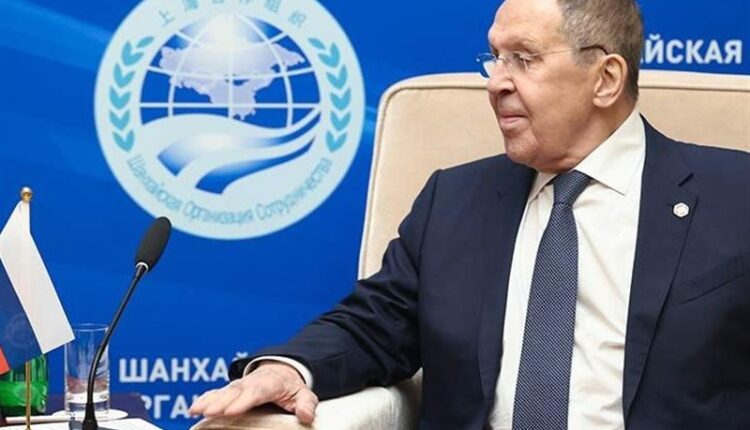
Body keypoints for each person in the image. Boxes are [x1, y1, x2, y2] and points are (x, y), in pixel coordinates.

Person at [190, 0, 750, 428]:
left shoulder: (734, 196)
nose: (496, 81)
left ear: (605, 79)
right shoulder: (455, 199)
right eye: (495, 58)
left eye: (523, 59)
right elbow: (374, 324)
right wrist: (287, 369)